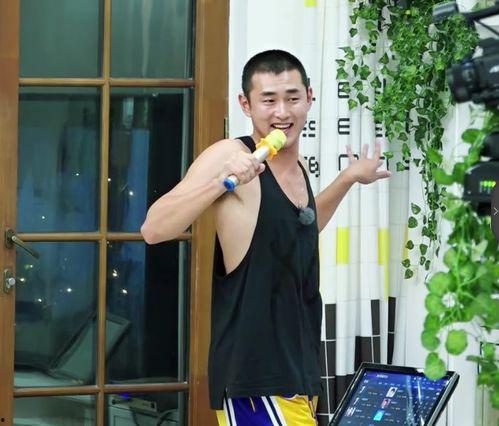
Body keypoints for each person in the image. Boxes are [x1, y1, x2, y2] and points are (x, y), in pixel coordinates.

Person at [141, 49, 391, 425]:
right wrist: (221, 181)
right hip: (255, 380)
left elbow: (302, 227)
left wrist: (347, 179)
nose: (282, 112)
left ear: (309, 97)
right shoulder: (231, 154)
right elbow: (154, 229)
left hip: (298, 372)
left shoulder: (298, 166)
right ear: (246, 104)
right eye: (269, 100)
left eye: (292, 98)